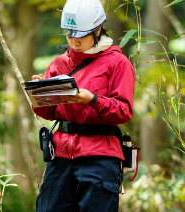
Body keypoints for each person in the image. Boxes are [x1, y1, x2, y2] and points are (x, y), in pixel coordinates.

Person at [32, 0, 135, 211]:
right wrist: (40, 94)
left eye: (80, 36)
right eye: (69, 35)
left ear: (97, 29)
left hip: (100, 156)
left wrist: (93, 100)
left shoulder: (118, 63)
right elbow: (49, 112)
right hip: (60, 156)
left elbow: (124, 111)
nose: (74, 41)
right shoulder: (59, 63)